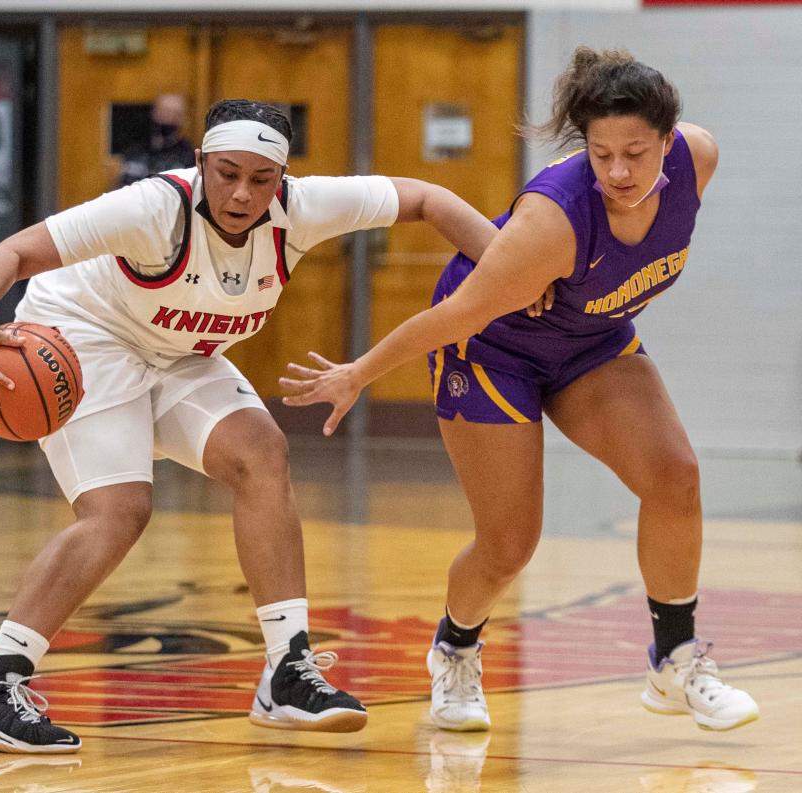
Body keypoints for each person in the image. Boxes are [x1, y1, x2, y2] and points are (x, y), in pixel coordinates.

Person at [0, 98, 498, 753]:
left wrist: (511, 269)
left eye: (261, 179)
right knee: (118, 510)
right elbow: (15, 251)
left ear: (282, 180)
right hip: (84, 337)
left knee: (262, 453)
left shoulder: (302, 208)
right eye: (227, 172)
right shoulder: (152, 208)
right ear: (199, 162)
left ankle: (287, 673)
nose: (242, 192)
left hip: (175, 352)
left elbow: (428, 197)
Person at [281, 48, 759, 733]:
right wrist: (356, 373)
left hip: (590, 340)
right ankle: (455, 648)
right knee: (509, 544)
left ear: (669, 140)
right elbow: (453, 316)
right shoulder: (555, 221)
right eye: (601, 155)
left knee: (676, 475)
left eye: (635, 152)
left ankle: (674, 662)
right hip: (492, 350)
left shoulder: (698, 159)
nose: (618, 172)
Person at [117, 92, 196, 186]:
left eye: (176, 114)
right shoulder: (136, 150)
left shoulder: (190, 156)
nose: (169, 118)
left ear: (184, 119)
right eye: (165, 112)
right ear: (154, 113)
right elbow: (123, 189)